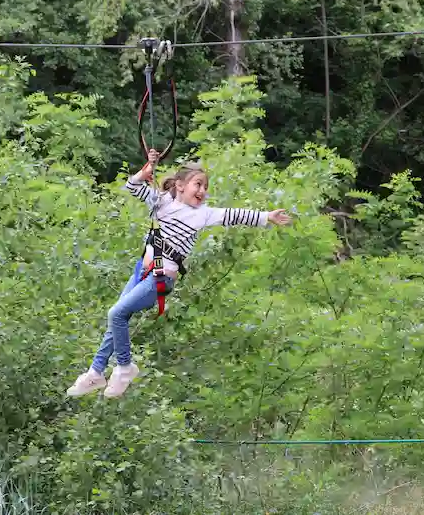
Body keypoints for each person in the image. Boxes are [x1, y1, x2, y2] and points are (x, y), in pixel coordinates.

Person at [66, 149, 293, 399]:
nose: (203, 191)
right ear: (181, 186)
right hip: (141, 271)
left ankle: (124, 367)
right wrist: (146, 170)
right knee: (116, 320)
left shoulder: (203, 214)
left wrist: (266, 217)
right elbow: (132, 187)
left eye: (206, 187)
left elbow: (233, 215)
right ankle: (96, 372)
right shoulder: (161, 202)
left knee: (116, 314)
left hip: (159, 279)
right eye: (199, 184)